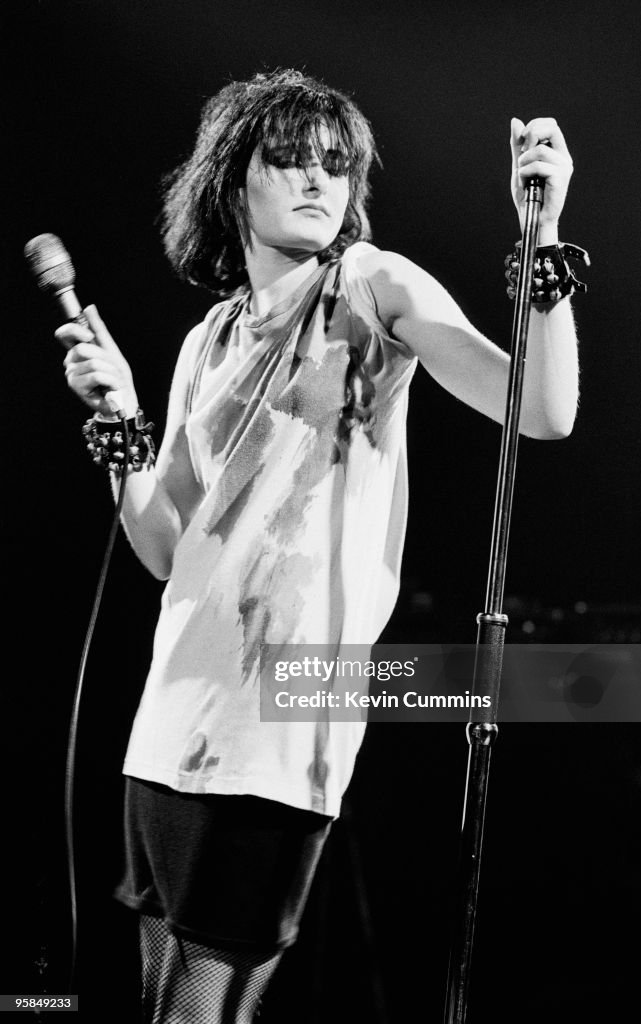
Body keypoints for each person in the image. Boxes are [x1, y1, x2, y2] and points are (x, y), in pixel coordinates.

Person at [59, 69, 580, 1023]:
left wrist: (540, 241)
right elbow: (165, 548)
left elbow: (541, 410)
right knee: (147, 1000)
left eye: (334, 166)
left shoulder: (373, 283)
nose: (315, 180)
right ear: (231, 182)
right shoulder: (205, 343)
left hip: (280, 720)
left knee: (198, 1011)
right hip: (172, 715)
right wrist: (124, 421)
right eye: (288, 158)